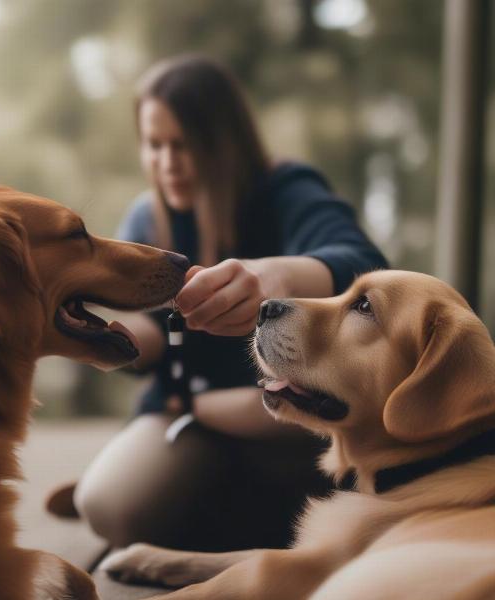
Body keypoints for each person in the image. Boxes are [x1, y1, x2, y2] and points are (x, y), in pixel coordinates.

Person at [47, 54, 388, 552]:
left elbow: (363, 263)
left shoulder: (284, 189)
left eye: (182, 144)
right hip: (187, 416)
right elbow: (150, 336)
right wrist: (97, 334)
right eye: (154, 145)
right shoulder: (146, 218)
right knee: (110, 505)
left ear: (223, 140)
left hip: (290, 409)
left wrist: (271, 276)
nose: (167, 163)